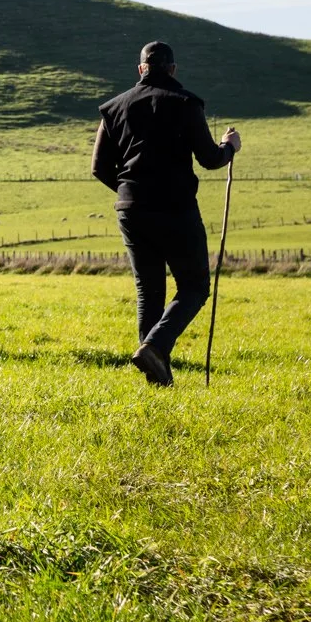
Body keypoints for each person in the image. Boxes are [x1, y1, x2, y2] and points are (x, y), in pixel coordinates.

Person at [91, 41, 240, 386]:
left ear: (140, 69)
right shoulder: (186, 103)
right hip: (175, 208)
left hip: (131, 209)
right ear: (173, 70)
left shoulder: (114, 108)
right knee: (195, 286)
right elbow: (209, 159)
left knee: (149, 291)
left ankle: (157, 376)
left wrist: (133, 191)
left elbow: (99, 167)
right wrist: (229, 147)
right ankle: (155, 348)